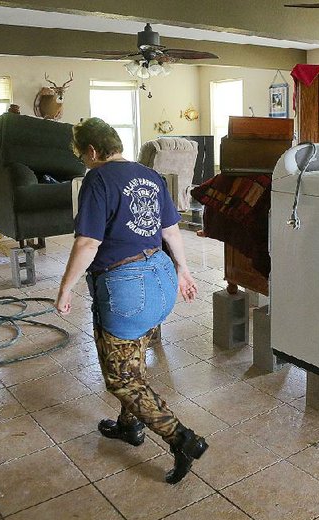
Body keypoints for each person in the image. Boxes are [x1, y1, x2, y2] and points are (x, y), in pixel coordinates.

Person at [55, 117, 208, 484]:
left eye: (81, 154)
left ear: (92, 151)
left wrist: (64, 288)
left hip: (127, 287)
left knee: (121, 379)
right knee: (132, 357)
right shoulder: (149, 175)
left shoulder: (98, 178)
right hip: (160, 277)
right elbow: (170, 229)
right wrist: (184, 271)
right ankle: (129, 426)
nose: (83, 160)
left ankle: (181, 438)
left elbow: (88, 243)